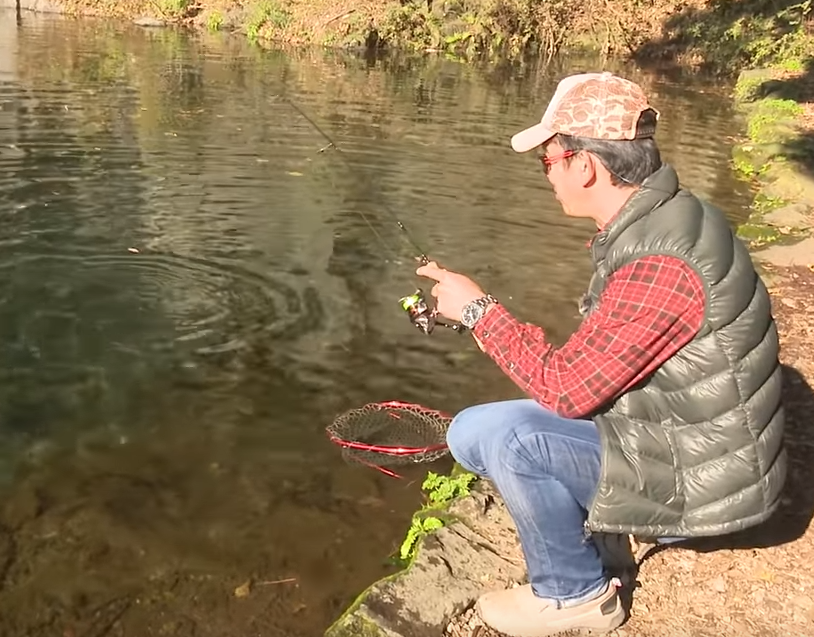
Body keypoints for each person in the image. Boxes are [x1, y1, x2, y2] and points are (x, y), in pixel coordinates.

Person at [416, 71, 786, 637]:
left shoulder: (659, 262)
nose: (548, 175)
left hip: (702, 492)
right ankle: (601, 527)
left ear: (584, 165)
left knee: (509, 439)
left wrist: (477, 310)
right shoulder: (674, 215)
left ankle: (575, 595)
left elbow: (565, 389)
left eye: (547, 162)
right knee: (468, 432)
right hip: (687, 447)